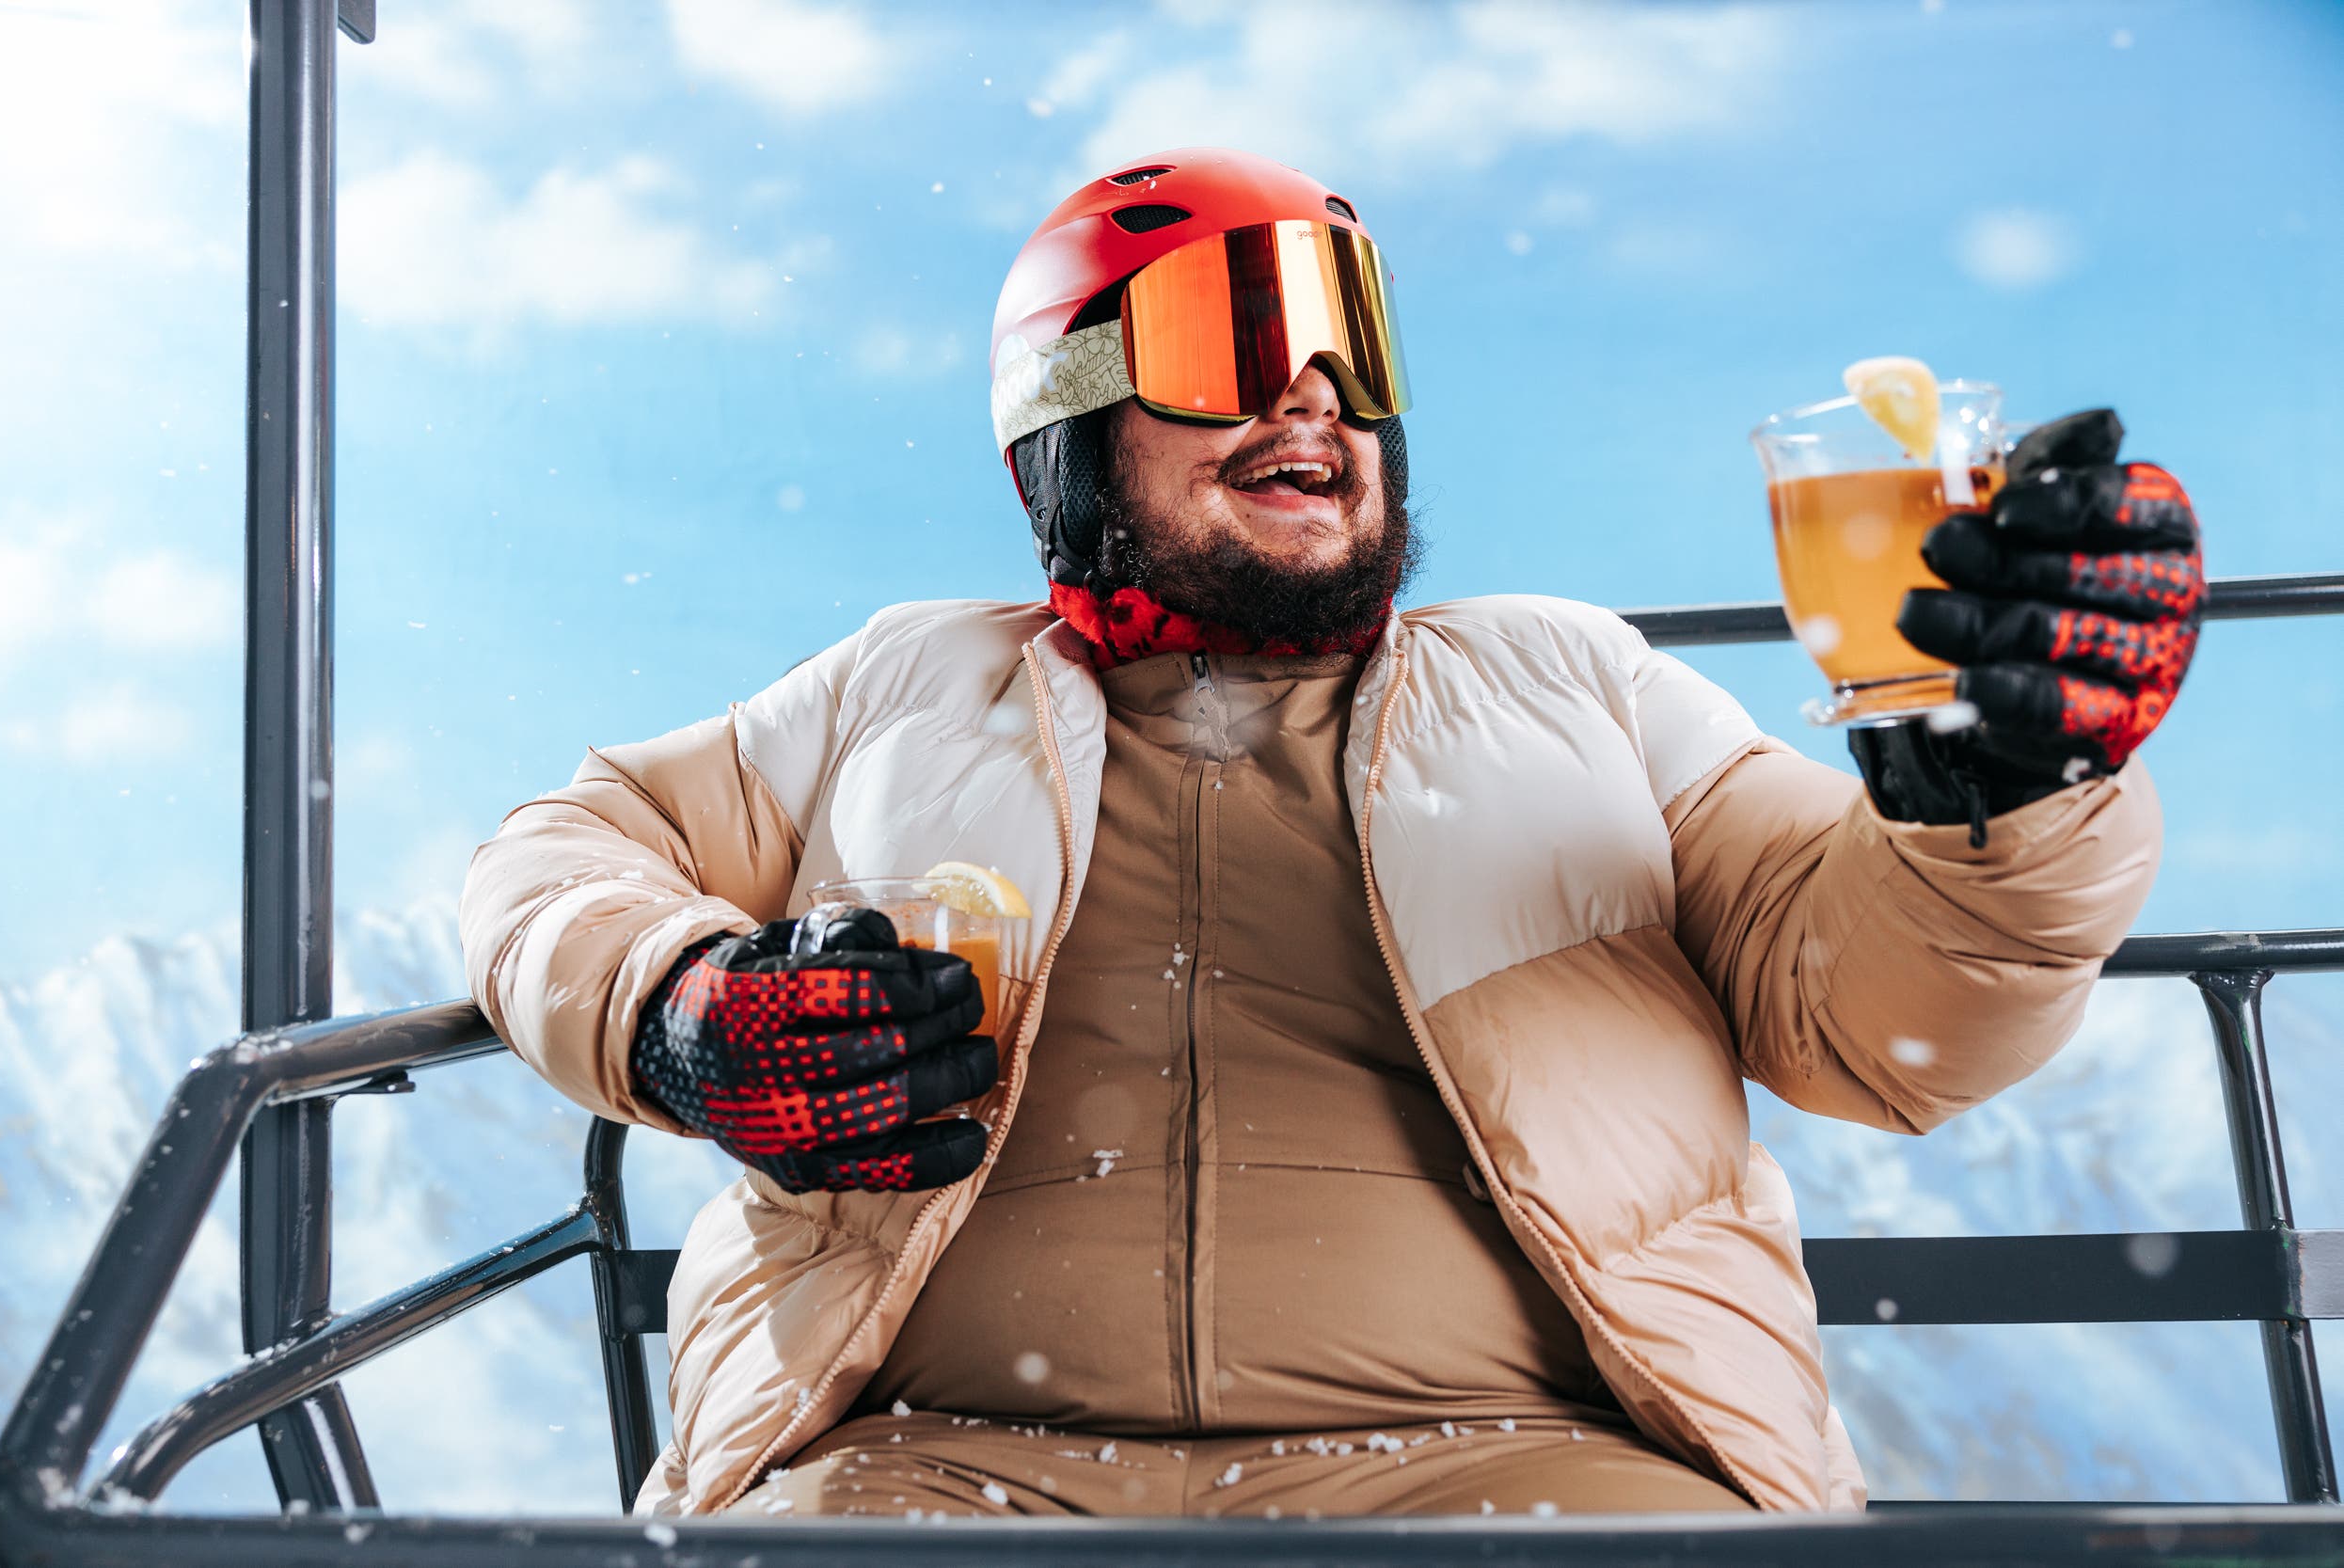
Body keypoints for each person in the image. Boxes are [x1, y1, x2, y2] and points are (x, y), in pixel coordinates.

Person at [460, 148, 2203, 1520]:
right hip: (937, 1472)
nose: (1311, 397)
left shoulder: (1573, 683)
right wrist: (677, 1013)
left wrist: (2009, 794)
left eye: (1347, 344)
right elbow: (559, 852)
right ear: (1058, 430)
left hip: (1534, 1470)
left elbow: (1879, 1014)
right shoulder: (904, 688)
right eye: (1229, 342)